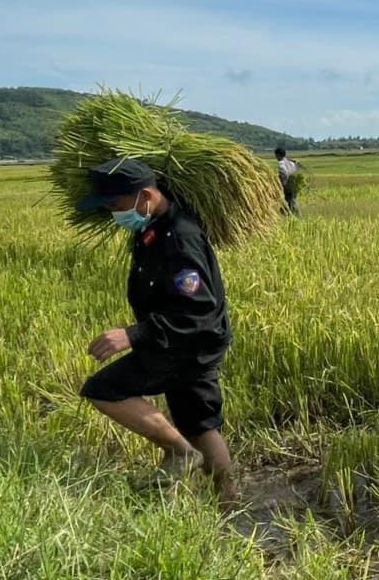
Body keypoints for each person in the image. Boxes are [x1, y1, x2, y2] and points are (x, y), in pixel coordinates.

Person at [76, 158, 238, 506]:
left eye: (116, 204)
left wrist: (132, 335)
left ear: (146, 195)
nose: (113, 213)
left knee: (103, 389)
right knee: (199, 423)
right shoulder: (152, 227)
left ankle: (179, 452)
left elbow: (198, 309)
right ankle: (229, 502)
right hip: (185, 340)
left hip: (185, 343)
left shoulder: (179, 238)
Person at [275, 147, 300, 216]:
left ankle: (292, 215)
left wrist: (282, 184)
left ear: (278, 155)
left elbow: (284, 174)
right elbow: (296, 169)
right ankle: (289, 214)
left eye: (276, 155)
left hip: (287, 186)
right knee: (291, 200)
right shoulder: (291, 163)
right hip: (294, 185)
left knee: (289, 201)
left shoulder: (281, 164)